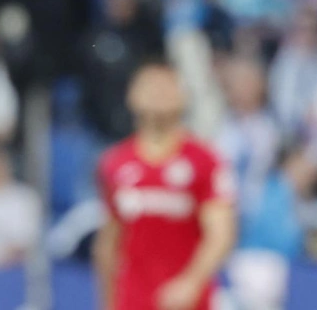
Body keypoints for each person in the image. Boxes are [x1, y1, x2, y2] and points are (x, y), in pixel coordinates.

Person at [93, 61, 236, 310]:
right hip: (134, 300)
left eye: (166, 86)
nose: (158, 93)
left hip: (186, 303)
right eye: (149, 86)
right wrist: (108, 301)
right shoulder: (115, 164)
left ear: (183, 97)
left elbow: (220, 233)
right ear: (132, 96)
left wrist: (192, 282)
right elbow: (109, 241)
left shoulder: (204, 160)